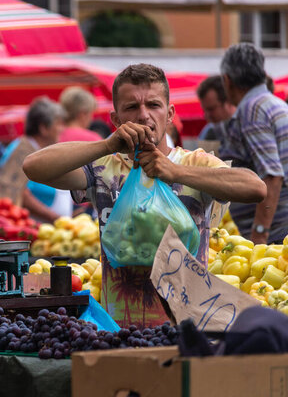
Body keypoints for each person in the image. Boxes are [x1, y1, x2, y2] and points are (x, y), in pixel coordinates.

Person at [22, 64, 266, 327]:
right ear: (116, 120)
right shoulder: (104, 168)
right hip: (120, 330)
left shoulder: (194, 163)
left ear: (170, 113)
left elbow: (256, 188)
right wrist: (108, 144)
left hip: (185, 330)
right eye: (131, 108)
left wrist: (176, 172)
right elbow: (32, 167)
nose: (143, 115)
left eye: (153, 105)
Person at [219, 42, 288, 244]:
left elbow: (272, 175)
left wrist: (259, 233)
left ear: (227, 81)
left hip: (275, 234)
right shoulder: (276, 104)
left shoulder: (252, 110)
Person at [0, 97, 71, 222]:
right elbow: (21, 193)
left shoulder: (39, 149)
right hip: (33, 230)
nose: (62, 129)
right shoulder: (21, 150)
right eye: (58, 124)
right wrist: (56, 218)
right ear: (43, 128)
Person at [196, 75, 236, 141]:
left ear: (229, 102)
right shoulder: (207, 133)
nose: (206, 115)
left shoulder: (246, 128)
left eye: (211, 109)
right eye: (204, 110)